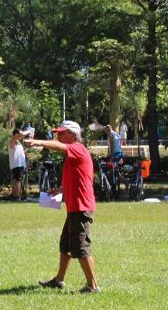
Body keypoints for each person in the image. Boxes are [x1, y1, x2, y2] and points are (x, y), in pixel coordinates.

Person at [26, 120, 100, 293]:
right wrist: (60, 190)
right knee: (66, 245)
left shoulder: (78, 148)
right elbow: (80, 178)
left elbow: (59, 147)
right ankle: (59, 280)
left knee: (81, 246)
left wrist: (39, 142)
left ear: (73, 135)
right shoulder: (72, 156)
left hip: (81, 208)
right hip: (74, 207)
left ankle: (93, 286)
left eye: (61, 132)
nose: (58, 135)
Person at [8, 128, 29, 201]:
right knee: (18, 180)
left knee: (15, 179)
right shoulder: (12, 141)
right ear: (16, 134)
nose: (22, 136)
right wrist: (29, 131)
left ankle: (14, 195)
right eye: (20, 134)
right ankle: (17, 197)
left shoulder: (19, 143)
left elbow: (21, 153)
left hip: (20, 164)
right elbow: (21, 135)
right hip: (16, 164)